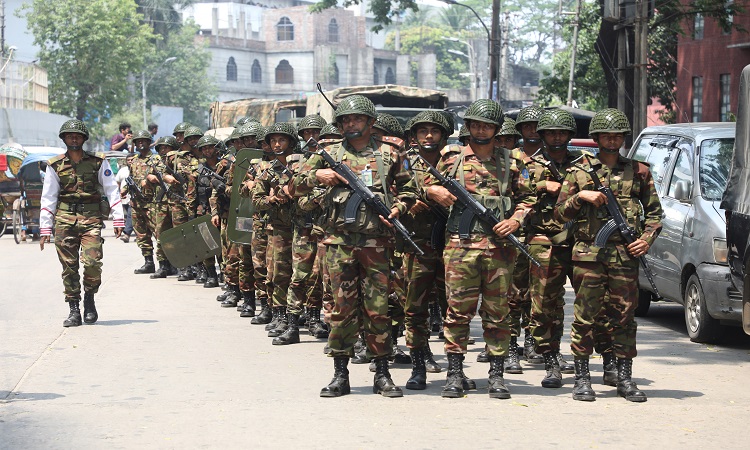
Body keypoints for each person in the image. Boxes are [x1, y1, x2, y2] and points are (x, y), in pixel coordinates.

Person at [294, 95, 416, 398]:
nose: (350, 124)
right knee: (341, 309)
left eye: (357, 119)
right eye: (346, 120)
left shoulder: (389, 153)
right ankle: (340, 374)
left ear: (370, 122)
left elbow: (410, 188)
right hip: (339, 243)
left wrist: (399, 207)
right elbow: (293, 186)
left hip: (376, 244)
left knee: (378, 309)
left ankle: (382, 373)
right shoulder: (327, 153)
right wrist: (315, 175)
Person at [424, 99, 533, 399]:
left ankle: (496, 375)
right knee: (457, 313)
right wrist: (433, 190)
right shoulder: (451, 158)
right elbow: (419, 182)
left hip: (499, 250)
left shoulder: (513, 162)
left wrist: (514, 221)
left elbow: (529, 199)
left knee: (498, 313)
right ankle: (455, 373)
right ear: (468, 127)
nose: (480, 130)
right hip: (460, 249)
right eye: (475, 125)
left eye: (486, 125)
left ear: (497, 130)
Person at [555, 108, 662, 402]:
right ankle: (581, 378)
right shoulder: (579, 171)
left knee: (625, 318)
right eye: (607, 135)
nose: (612, 140)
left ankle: (624, 378)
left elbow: (655, 214)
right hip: (589, 255)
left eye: (617, 135)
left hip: (624, 256)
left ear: (624, 139)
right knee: (585, 317)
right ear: (597, 137)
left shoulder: (639, 171)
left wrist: (645, 240)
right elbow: (559, 212)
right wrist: (580, 196)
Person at [40, 119, 124, 327]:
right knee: (69, 267)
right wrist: (44, 227)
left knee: (93, 263)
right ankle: (74, 309)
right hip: (64, 220)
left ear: (84, 138)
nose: (74, 138)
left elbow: (111, 189)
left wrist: (118, 217)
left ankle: (89, 299)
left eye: (77, 135)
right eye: (69, 135)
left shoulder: (98, 162)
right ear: (64, 139)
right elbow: (48, 197)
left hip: (91, 220)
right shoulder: (55, 165)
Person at [524, 109, 582, 389]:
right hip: (543, 240)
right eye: (551, 132)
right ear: (542, 135)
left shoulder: (584, 164)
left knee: (591, 303)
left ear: (570, 135)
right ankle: (550, 361)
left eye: (562, 133)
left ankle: (599, 360)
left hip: (580, 241)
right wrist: (540, 186)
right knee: (545, 304)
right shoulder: (528, 165)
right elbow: (512, 191)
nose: (557, 137)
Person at [400, 111, 453, 390]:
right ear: (414, 136)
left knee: (454, 309)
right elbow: (386, 191)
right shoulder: (403, 162)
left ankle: (455, 368)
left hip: (453, 246)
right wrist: (419, 196)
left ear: (444, 136)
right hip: (417, 245)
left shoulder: (455, 163)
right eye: (423, 131)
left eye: (434, 131)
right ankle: (418, 364)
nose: (428, 136)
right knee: (415, 308)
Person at [127, 130, 160, 275]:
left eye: (143, 141)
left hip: (152, 202)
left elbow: (162, 178)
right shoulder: (133, 160)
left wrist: (151, 181)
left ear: (148, 142)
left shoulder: (155, 159)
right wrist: (124, 188)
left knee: (159, 233)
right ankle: (148, 262)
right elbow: (130, 178)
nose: (140, 143)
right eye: (138, 141)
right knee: (141, 234)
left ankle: (165, 263)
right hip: (136, 202)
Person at [114, 163, 134, 243]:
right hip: (124, 196)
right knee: (130, 216)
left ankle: (127, 234)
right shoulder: (123, 170)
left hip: (134, 197)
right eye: (128, 160)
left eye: (131, 160)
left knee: (130, 215)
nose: (130, 161)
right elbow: (117, 182)